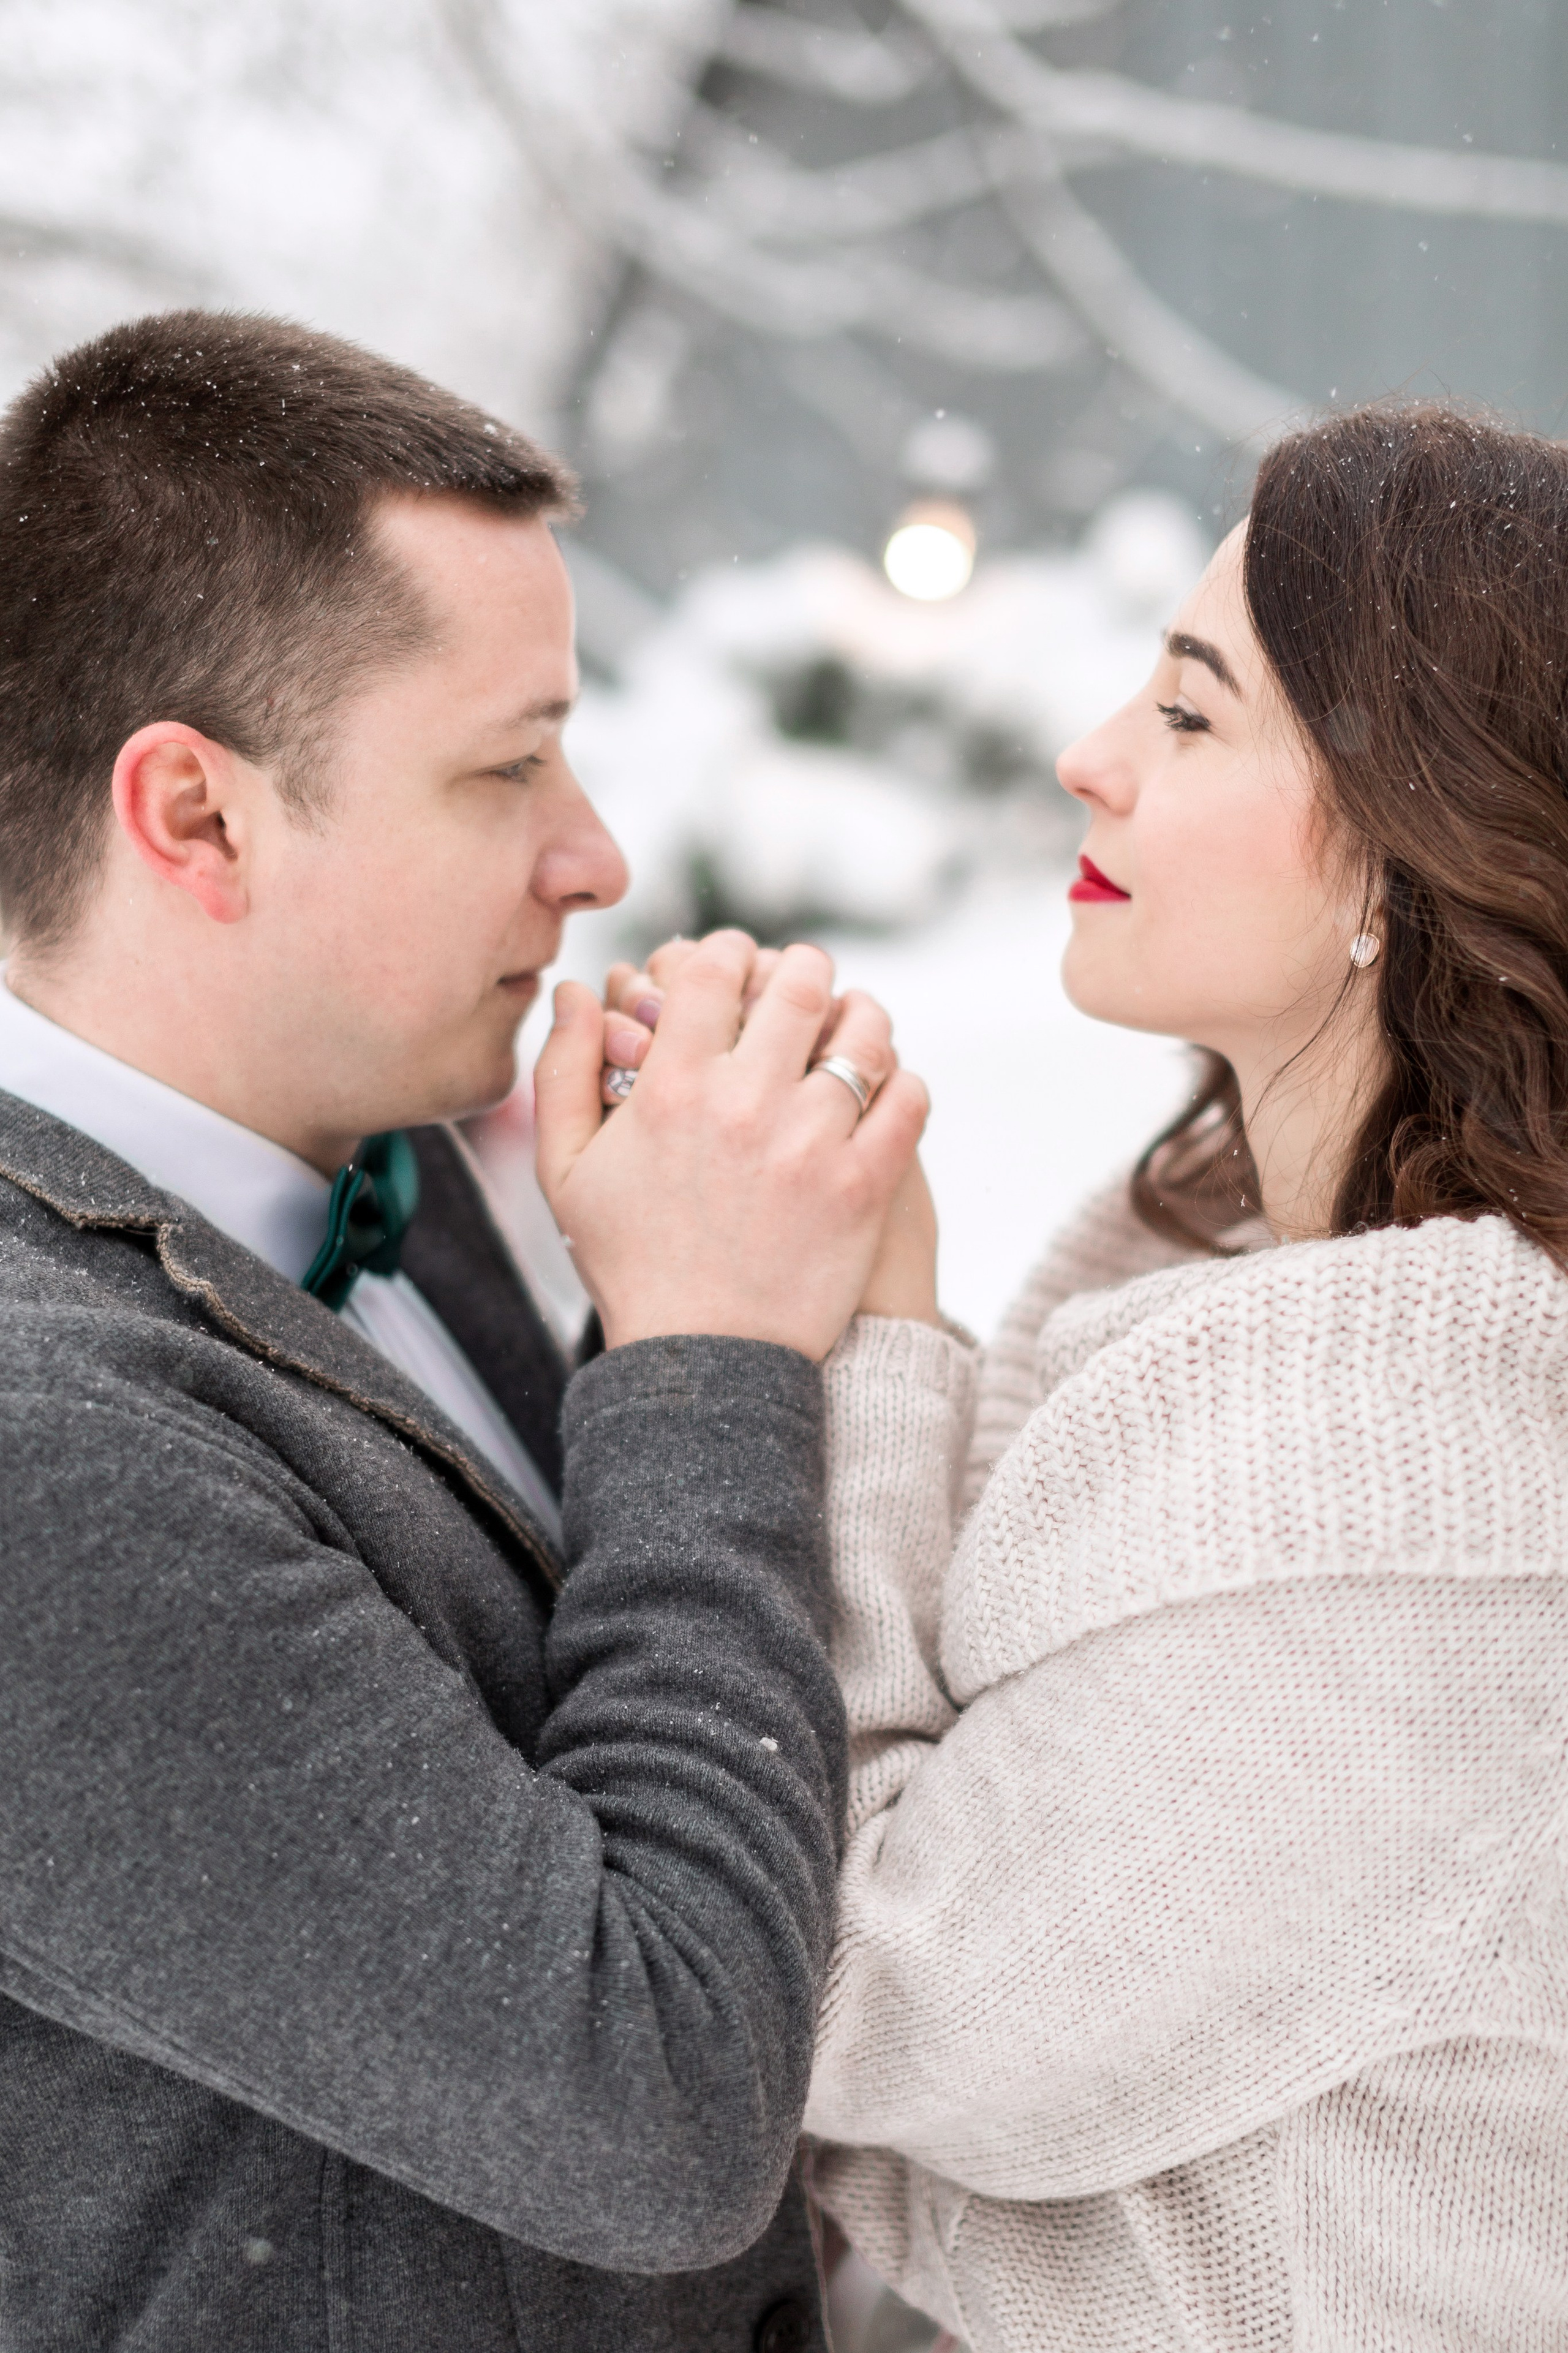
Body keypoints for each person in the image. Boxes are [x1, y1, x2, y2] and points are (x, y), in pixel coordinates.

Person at [0, 310, 929, 2352]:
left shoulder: (382, 1166)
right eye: (506, 766)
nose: (591, 853)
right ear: (199, 818)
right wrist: (703, 1365)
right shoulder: (39, 1444)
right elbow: (655, 2109)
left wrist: (715, 1283)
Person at [617, 403, 1568, 2351]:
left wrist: (843, 1339)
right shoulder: (1243, 1292)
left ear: (1418, 834)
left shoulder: (1416, 1491)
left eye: (1194, 716)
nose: (1091, 759)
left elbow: (824, 2004)